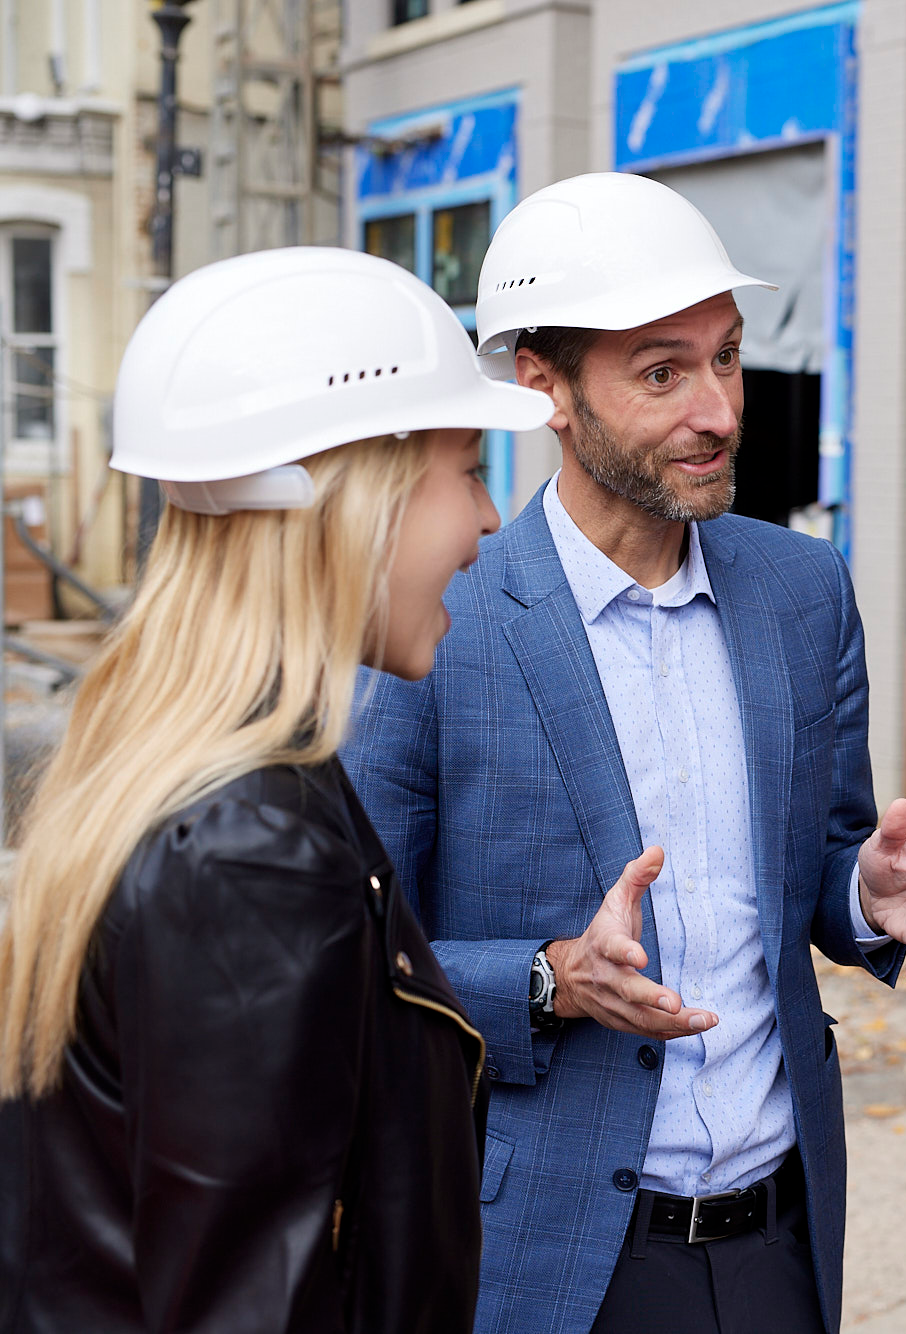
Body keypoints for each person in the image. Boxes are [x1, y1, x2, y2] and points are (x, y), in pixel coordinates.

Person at [341, 172, 906, 1334]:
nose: (717, 409)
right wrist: (552, 979)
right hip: (552, 1258)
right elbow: (357, 959)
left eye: (727, 357)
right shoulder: (439, 617)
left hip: (780, 1240)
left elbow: (810, 868)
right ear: (542, 384)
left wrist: (865, 891)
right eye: (661, 372)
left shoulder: (804, 592)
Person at [0, 246, 554, 1331]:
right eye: (467, 468)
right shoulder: (252, 847)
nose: (488, 523)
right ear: (357, 497)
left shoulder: (178, 779)